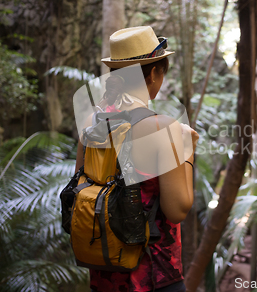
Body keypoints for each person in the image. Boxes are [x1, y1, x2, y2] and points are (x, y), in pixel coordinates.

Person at [74, 26, 198, 292]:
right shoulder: (162, 128)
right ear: (154, 73)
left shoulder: (90, 124)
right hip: (155, 276)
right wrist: (188, 149)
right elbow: (178, 209)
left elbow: (81, 186)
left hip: (104, 274)